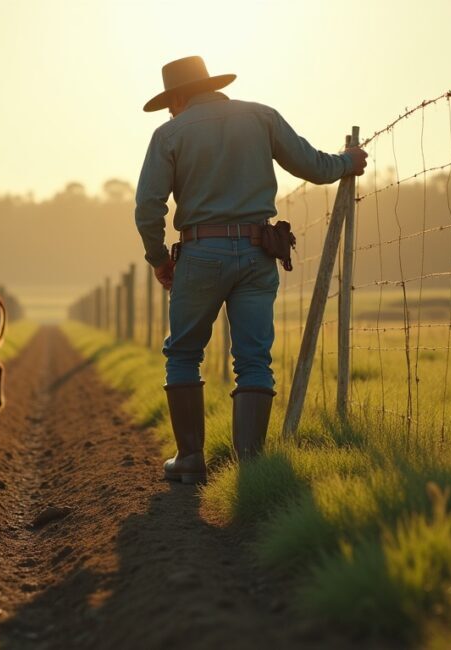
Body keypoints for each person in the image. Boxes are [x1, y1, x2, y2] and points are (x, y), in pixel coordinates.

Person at [135, 56, 367, 485]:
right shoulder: (262, 116)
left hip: (201, 253)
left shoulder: (168, 134)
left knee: (184, 354)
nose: (171, 111)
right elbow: (315, 168)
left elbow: (149, 207)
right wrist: (348, 162)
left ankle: (189, 460)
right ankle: (250, 472)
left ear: (181, 96)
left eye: (171, 103)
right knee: (254, 359)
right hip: (259, 253)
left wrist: (159, 260)